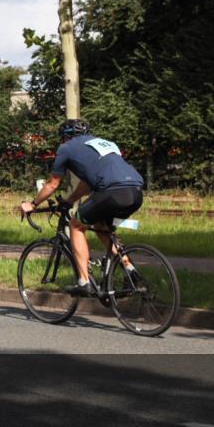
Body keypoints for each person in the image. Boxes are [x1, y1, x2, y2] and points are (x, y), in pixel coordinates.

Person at [19, 119, 144, 297]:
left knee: (76, 225)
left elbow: (53, 184)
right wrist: (70, 201)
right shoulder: (106, 143)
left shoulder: (66, 148)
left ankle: (84, 282)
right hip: (136, 191)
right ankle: (130, 270)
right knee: (101, 227)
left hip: (111, 192)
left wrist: (32, 204)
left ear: (65, 137)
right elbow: (87, 183)